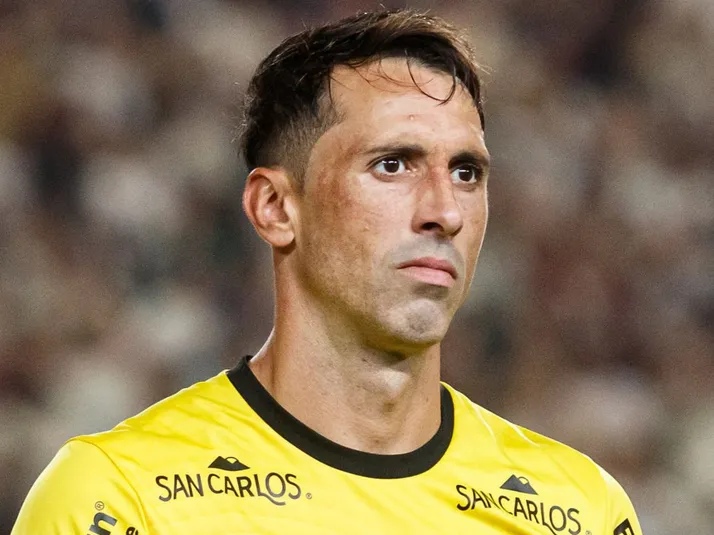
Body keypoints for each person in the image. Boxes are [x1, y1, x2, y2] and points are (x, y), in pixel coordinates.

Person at [12, 9, 642, 535]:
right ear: (275, 208)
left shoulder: (579, 511)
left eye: (465, 172)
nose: (445, 211)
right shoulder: (121, 500)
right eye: (393, 164)